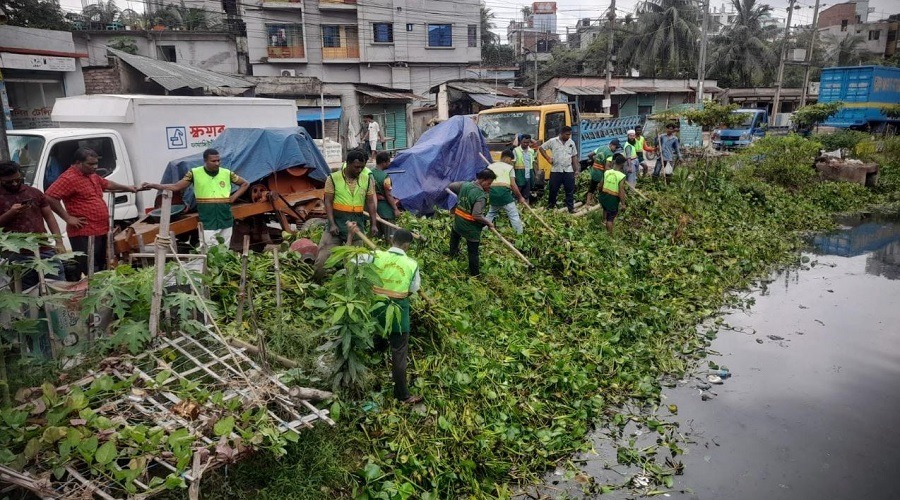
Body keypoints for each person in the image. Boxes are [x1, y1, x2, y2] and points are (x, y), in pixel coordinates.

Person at [45, 148, 139, 276]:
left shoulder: (92, 175)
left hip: (100, 230)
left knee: (101, 265)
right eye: (90, 164)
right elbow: (50, 197)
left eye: (96, 163)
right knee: (89, 268)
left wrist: (128, 188)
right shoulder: (68, 178)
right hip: (84, 232)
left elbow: (107, 184)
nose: (95, 167)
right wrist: (68, 218)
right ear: (78, 163)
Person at [355, 228, 423, 404]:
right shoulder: (412, 264)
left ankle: (366, 376)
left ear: (392, 240)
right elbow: (414, 289)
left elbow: (352, 261)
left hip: (375, 308)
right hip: (398, 311)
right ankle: (402, 394)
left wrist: (350, 236)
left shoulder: (376, 255)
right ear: (407, 245)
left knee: (374, 336)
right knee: (399, 351)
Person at [143, 148, 249, 248]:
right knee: (209, 249)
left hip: (225, 218)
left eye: (218, 160)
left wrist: (233, 197)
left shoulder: (227, 173)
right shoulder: (194, 173)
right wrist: (154, 185)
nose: (217, 163)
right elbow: (176, 186)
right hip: (208, 220)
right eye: (213, 161)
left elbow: (245, 184)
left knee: (224, 249)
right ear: (205, 161)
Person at [315, 148, 379, 279]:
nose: (359, 170)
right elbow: (328, 202)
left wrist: (373, 224)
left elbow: (371, 203)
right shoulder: (333, 178)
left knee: (357, 263)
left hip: (357, 224)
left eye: (362, 167)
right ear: (348, 163)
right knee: (322, 260)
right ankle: (318, 282)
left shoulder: (366, 179)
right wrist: (332, 224)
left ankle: (350, 285)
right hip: (337, 223)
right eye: (356, 167)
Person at [0, 161, 66, 288]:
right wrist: (10, 213)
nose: (14, 184)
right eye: (9, 182)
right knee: (26, 291)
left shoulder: (34, 193)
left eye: (17, 180)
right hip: (16, 254)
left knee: (58, 286)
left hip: (44, 249)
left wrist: (59, 242)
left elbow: (49, 217)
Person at [447, 169, 497, 276]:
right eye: (489, 183)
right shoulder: (480, 196)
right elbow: (476, 215)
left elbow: (451, 186)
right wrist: (488, 223)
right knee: (473, 252)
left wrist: (461, 197)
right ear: (482, 180)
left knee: (454, 237)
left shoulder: (464, 185)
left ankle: (452, 255)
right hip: (470, 228)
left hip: (458, 222)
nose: (489, 186)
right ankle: (475, 275)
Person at [486, 149, 527, 235]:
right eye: (511, 160)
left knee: (491, 213)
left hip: (493, 193)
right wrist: (520, 197)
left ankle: (483, 230)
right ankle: (519, 234)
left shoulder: (491, 166)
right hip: (504, 193)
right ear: (508, 158)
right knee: (514, 215)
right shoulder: (509, 168)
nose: (511, 162)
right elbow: (513, 185)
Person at [539, 126, 579, 213]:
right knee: (553, 190)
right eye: (567, 134)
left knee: (570, 191)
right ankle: (550, 208)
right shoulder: (553, 141)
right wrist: (548, 158)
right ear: (561, 133)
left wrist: (576, 170)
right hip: (556, 170)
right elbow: (541, 148)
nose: (568, 136)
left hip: (568, 170)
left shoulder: (571, 142)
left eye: (569, 134)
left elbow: (574, 156)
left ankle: (571, 208)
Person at [372, 152, 401, 238]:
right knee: (391, 236)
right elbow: (388, 195)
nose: (389, 164)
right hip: (385, 211)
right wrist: (395, 209)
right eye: (388, 162)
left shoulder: (370, 173)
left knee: (376, 236)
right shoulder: (385, 177)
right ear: (383, 162)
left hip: (374, 210)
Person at [599, 154, 628, 236]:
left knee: (605, 209)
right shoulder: (621, 176)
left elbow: (600, 185)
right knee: (610, 218)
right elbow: (621, 190)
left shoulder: (607, 172)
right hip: (612, 198)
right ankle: (610, 236)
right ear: (622, 164)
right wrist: (623, 204)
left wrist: (600, 194)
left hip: (604, 196)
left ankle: (603, 221)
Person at [586, 139, 619, 206]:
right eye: (616, 147)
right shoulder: (610, 154)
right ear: (611, 145)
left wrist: (594, 160)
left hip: (594, 172)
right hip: (601, 175)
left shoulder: (601, 148)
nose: (616, 149)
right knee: (603, 189)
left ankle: (587, 203)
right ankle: (602, 203)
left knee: (591, 188)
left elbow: (589, 155)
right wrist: (614, 172)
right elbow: (607, 168)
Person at [513, 135, 537, 203]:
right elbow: (513, 163)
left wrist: (535, 174)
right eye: (524, 142)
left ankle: (525, 207)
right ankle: (516, 206)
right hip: (519, 173)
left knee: (526, 193)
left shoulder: (531, 151)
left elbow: (533, 163)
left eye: (527, 142)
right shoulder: (516, 150)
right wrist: (513, 175)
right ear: (520, 142)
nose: (526, 144)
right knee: (517, 192)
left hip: (529, 174)